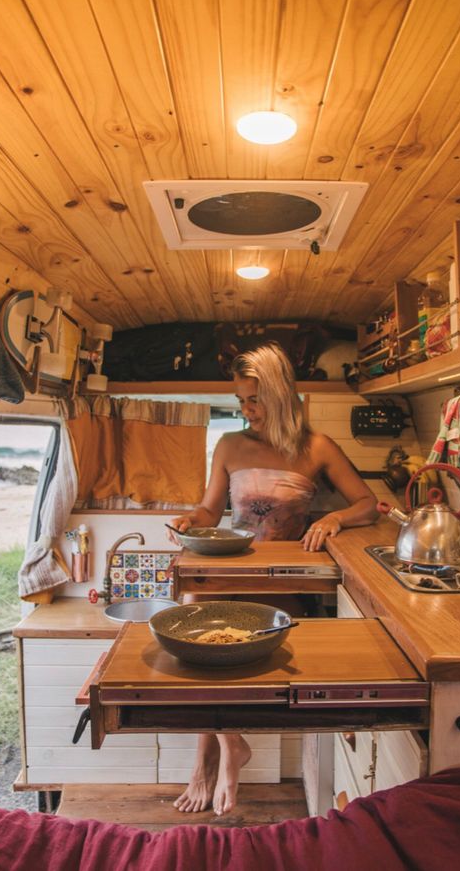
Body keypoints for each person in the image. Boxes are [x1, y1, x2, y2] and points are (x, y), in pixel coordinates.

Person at [168, 343, 378, 816]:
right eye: (241, 400)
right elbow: (210, 509)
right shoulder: (229, 445)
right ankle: (224, 750)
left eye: (254, 400)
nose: (246, 410)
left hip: (288, 578)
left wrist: (336, 520)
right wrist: (190, 518)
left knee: (223, 645)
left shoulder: (316, 447)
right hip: (233, 567)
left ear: (282, 395)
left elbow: (367, 503)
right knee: (195, 632)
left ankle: (212, 758)